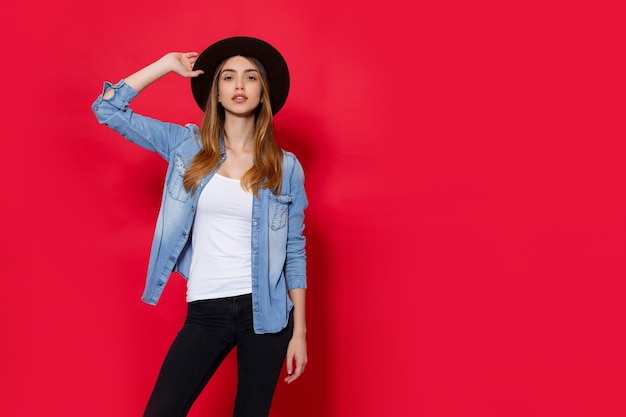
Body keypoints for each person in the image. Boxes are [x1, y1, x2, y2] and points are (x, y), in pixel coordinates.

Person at [91, 36, 308, 417]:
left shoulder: (285, 166)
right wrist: (164, 64)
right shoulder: (185, 146)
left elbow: (294, 250)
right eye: (228, 77)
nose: (239, 85)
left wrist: (300, 333)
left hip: (268, 316)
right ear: (216, 92)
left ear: (263, 92)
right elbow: (107, 109)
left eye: (250, 77)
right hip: (207, 308)